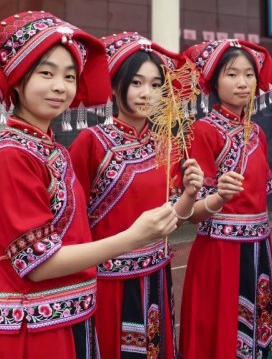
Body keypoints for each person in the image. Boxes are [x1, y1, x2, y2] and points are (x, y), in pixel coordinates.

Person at [0, 11, 179, 359]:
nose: (60, 86)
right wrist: (133, 237)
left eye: (69, 76)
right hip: (36, 329)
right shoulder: (11, 156)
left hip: (71, 315)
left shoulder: (50, 149)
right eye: (47, 73)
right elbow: (38, 263)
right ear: (17, 78)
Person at [68, 32, 204, 358]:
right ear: (116, 86)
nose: (147, 93)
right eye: (137, 83)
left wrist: (189, 193)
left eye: (157, 85)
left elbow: (173, 218)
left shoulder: (165, 144)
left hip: (156, 274)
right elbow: (71, 218)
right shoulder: (91, 142)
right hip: (108, 282)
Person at [178, 39, 272, 358]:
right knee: (220, 329)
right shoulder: (203, 130)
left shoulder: (257, 133)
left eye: (249, 75)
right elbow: (192, 213)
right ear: (214, 82)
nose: (242, 82)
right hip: (220, 251)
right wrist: (218, 198)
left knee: (258, 330)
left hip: (259, 248)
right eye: (232, 74)